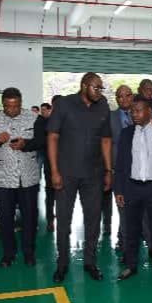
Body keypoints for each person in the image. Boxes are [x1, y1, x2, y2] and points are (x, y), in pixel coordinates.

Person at [46, 73, 113, 283]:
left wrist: (108, 170)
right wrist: (54, 171)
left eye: (101, 88)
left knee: (93, 220)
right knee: (63, 221)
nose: (99, 91)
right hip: (66, 174)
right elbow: (52, 137)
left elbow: (106, 140)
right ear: (84, 86)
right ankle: (62, 264)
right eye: (96, 87)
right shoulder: (64, 104)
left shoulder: (103, 106)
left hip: (94, 174)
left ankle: (90, 262)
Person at [115, 96, 152, 286]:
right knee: (131, 229)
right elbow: (120, 164)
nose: (134, 114)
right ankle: (131, 265)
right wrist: (119, 190)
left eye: (138, 110)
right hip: (132, 188)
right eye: (132, 111)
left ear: (149, 111)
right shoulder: (126, 133)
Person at [0, 87, 45, 267]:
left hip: (28, 177)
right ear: (3, 104)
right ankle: (8, 254)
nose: (12, 110)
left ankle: (29, 253)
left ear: (21, 103)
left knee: (30, 218)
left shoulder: (35, 118)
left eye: (16, 106)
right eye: (8, 106)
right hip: (4, 179)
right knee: (5, 219)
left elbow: (42, 141)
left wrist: (26, 144)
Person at [109, 85, 135, 250]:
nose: (124, 99)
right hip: (118, 170)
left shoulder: (140, 114)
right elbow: (105, 144)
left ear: (132, 96)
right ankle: (125, 242)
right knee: (122, 207)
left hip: (140, 170)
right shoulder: (110, 117)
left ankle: (128, 237)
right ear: (116, 99)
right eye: (120, 96)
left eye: (127, 95)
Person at [41, 97, 61, 232]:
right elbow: (43, 142)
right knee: (50, 193)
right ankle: (50, 220)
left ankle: (63, 220)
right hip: (50, 164)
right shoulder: (46, 122)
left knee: (64, 195)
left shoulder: (68, 121)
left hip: (66, 165)